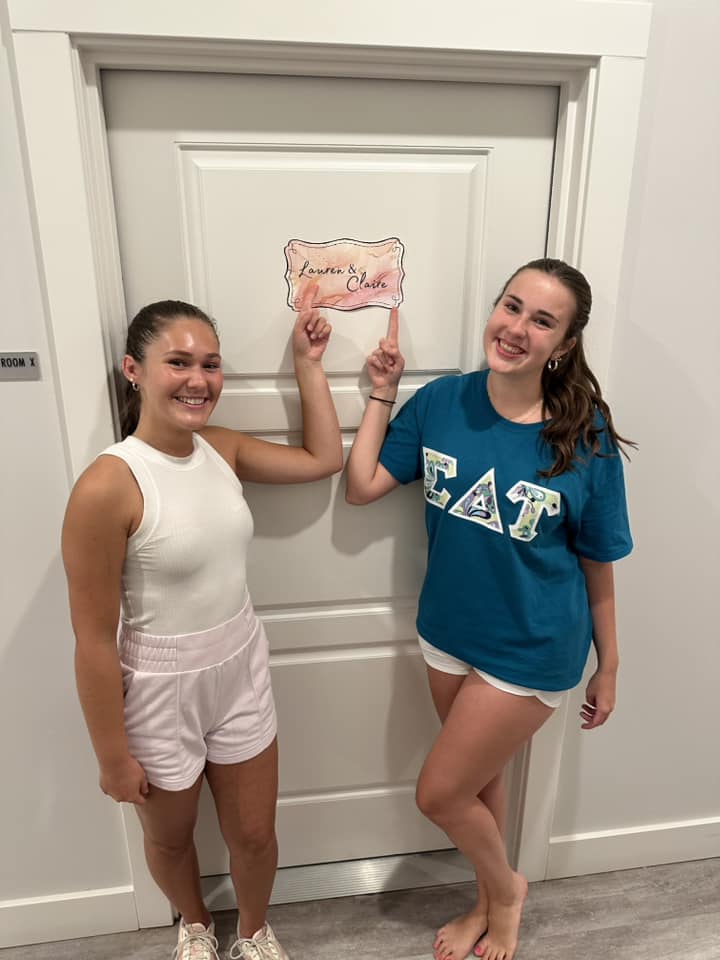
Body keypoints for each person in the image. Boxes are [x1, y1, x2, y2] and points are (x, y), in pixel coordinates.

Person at [345, 258, 634, 960]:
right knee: (480, 783)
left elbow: (598, 560)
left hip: (532, 645)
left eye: (543, 320)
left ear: (563, 345)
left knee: (440, 795)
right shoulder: (443, 403)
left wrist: (610, 664)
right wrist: (382, 393)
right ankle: (486, 897)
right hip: (446, 632)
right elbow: (361, 487)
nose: (516, 328)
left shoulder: (584, 433)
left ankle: (505, 893)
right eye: (512, 306)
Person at [62, 288, 342, 960]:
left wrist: (308, 364)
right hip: (158, 686)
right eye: (179, 363)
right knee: (168, 836)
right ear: (134, 369)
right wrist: (111, 756)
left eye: (211, 365)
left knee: (254, 834)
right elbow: (93, 639)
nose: (198, 380)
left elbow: (322, 459)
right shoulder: (109, 485)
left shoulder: (220, 449)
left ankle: (251, 930)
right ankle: (193, 923)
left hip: (239, 663)